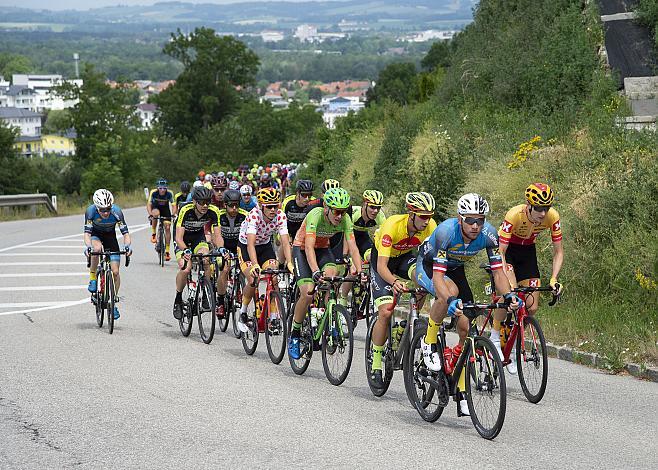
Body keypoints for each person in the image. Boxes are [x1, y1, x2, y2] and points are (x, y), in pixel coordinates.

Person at [415, 193, 523, 415]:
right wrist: (452, 301)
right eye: (470, 220)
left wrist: (510, 296)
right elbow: (438, 279)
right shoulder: (446, 232)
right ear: (459, 218)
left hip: (455, 268)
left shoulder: (489, 235)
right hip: (429, 266)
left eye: (480, 220)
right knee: (448, 295)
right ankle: (428, 340)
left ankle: (462, 391)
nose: (475, 225)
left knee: (466, 325)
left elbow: (499, 273)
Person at [368, 192, 437, 386]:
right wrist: (393, 282)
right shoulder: (393, 225)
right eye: (423, 216)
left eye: (429, 216)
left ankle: (407, 325)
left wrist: (430, 284)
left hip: (405, 257)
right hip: (383, 261)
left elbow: (431, 262)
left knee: (422, 278)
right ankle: (376, 362)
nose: (426, 221)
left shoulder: (431, 227)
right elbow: (382, 267)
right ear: (411, 213)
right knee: (385, 312)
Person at [287, 187, 363, 360]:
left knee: (331, 276)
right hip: (302, 249)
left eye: (343, 212)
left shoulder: (345, 220)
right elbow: (308, 247)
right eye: (336, 211)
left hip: (322, 250)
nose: (339, 216)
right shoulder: (315, 215)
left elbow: (353, 247)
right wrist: (314, 271)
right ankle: (295, 334)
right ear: (327, 208)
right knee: (307, 293)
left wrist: (359, 271)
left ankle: (330, 320)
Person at [498, 183, 564, 315]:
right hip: (508, 250)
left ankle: (518, 333)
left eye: (546, 208)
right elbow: (501, 252)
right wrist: (507, 281)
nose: (543, 213)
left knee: (532, 306)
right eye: (539, 208)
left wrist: (554, 279)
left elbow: (559, 252)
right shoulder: (514, 215)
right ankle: (494, 334)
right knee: (510, 293)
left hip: (528, 251)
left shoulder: (553, 216)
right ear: (529, 205)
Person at [236, 187, 293, 332]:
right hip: (246, 247)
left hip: (265, 246)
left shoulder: (281, 216)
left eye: (276, 205)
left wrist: (290, 263)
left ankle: (273, 317)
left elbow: (285, 242)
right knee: (252, 278)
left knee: (274, 276)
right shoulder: (254, 215)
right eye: (269, 206)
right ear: (261, 206)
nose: (273, 209)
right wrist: (255, 265)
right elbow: (250, 244)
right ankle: (242, 312)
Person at [172, 186, 227, 319]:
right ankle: (178, 299)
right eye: (201, 202)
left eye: (207, 202)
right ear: (194, 202)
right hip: (182, 239)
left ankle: (205, 292)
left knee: (206, 259)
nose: (205, 205)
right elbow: (178, 238)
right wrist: (185, 250)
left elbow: (218, 235)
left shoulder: (213, 211)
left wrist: (221, 248)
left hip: (198, 237)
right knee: (186, 268)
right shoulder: (185, 210)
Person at [84, 189, 132, 320]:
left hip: (110, 236)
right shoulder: (91, 211)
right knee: (97, 249)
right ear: (96, 207)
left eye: (108, 209)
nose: (106, 213)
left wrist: (127, 246)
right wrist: (88, 247)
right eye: (102, 210)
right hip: (96, 235)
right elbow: (87, 234)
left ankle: (112, 302)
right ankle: (93, 276)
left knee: (115, 272)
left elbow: (125, 234)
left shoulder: (117, 212)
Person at [337, 189, 386, 305]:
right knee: (353, 269)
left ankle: (365, 287)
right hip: (347, 237)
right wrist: (347, 256)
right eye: (372, 207)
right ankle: (343, 298)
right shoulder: (354, 213)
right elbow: (345, 236)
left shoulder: (380, 216)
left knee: (371, 257)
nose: (375, 211)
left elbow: (385, 233)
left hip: (362, 237)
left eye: (378, 208)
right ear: (364, 204)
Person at [216, 189, 249, 317]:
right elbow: (216, 234)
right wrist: (220, 248)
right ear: (225, 205)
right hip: (224, 246)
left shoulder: (245, 215)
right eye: (231, 205)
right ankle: (220, 302)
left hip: (239, 246)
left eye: (237, 205)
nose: (234, 208)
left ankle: (239, 289)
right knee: (225, 269)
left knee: (243, 269)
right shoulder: (219, 215)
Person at [147, 178, 174, 261]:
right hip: (156, 208)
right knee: (155, 214)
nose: (162, 190)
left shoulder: (170, 193)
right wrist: (150, 214)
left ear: (166, 188)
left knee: (168, 228)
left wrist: (173, 214)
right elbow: (149, 204)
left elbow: (173, 205)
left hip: (165, 210)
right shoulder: (153, 192)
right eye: (160, 188)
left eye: (164, 188)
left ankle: (167, 251)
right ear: (157, 188)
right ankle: (154, 233)